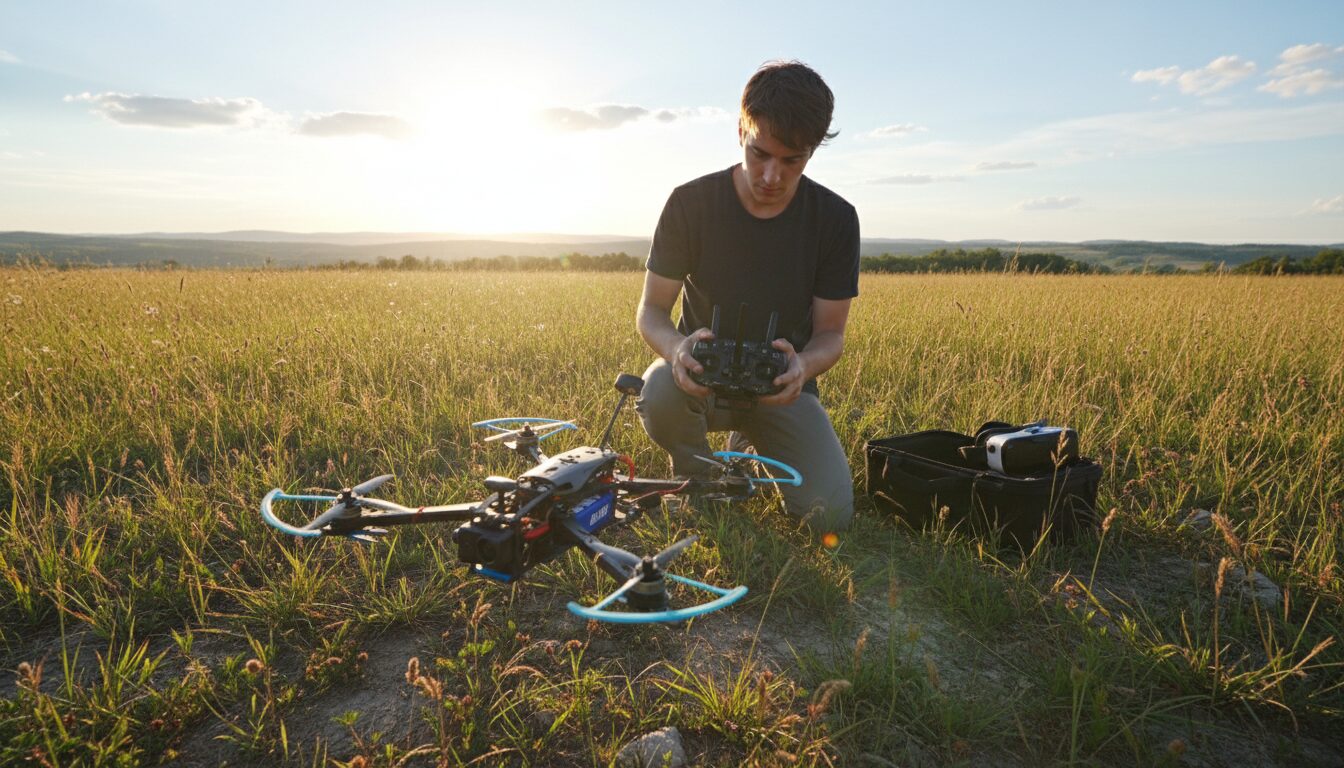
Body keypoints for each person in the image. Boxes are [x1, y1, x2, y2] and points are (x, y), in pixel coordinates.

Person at [635, 60, 860, 534]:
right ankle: (698, 480)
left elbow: (831, 335)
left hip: (781, 391)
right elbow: (651, 311)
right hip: (700, 380)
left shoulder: (836, 219)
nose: (772, 176)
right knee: (658, 390)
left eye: (792, 160)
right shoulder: (690, 203)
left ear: (813, 151)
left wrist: (803, 367)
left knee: (828, 515)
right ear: (741, 130)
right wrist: (676, 350)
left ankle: (750, 440)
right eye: (759, 153)